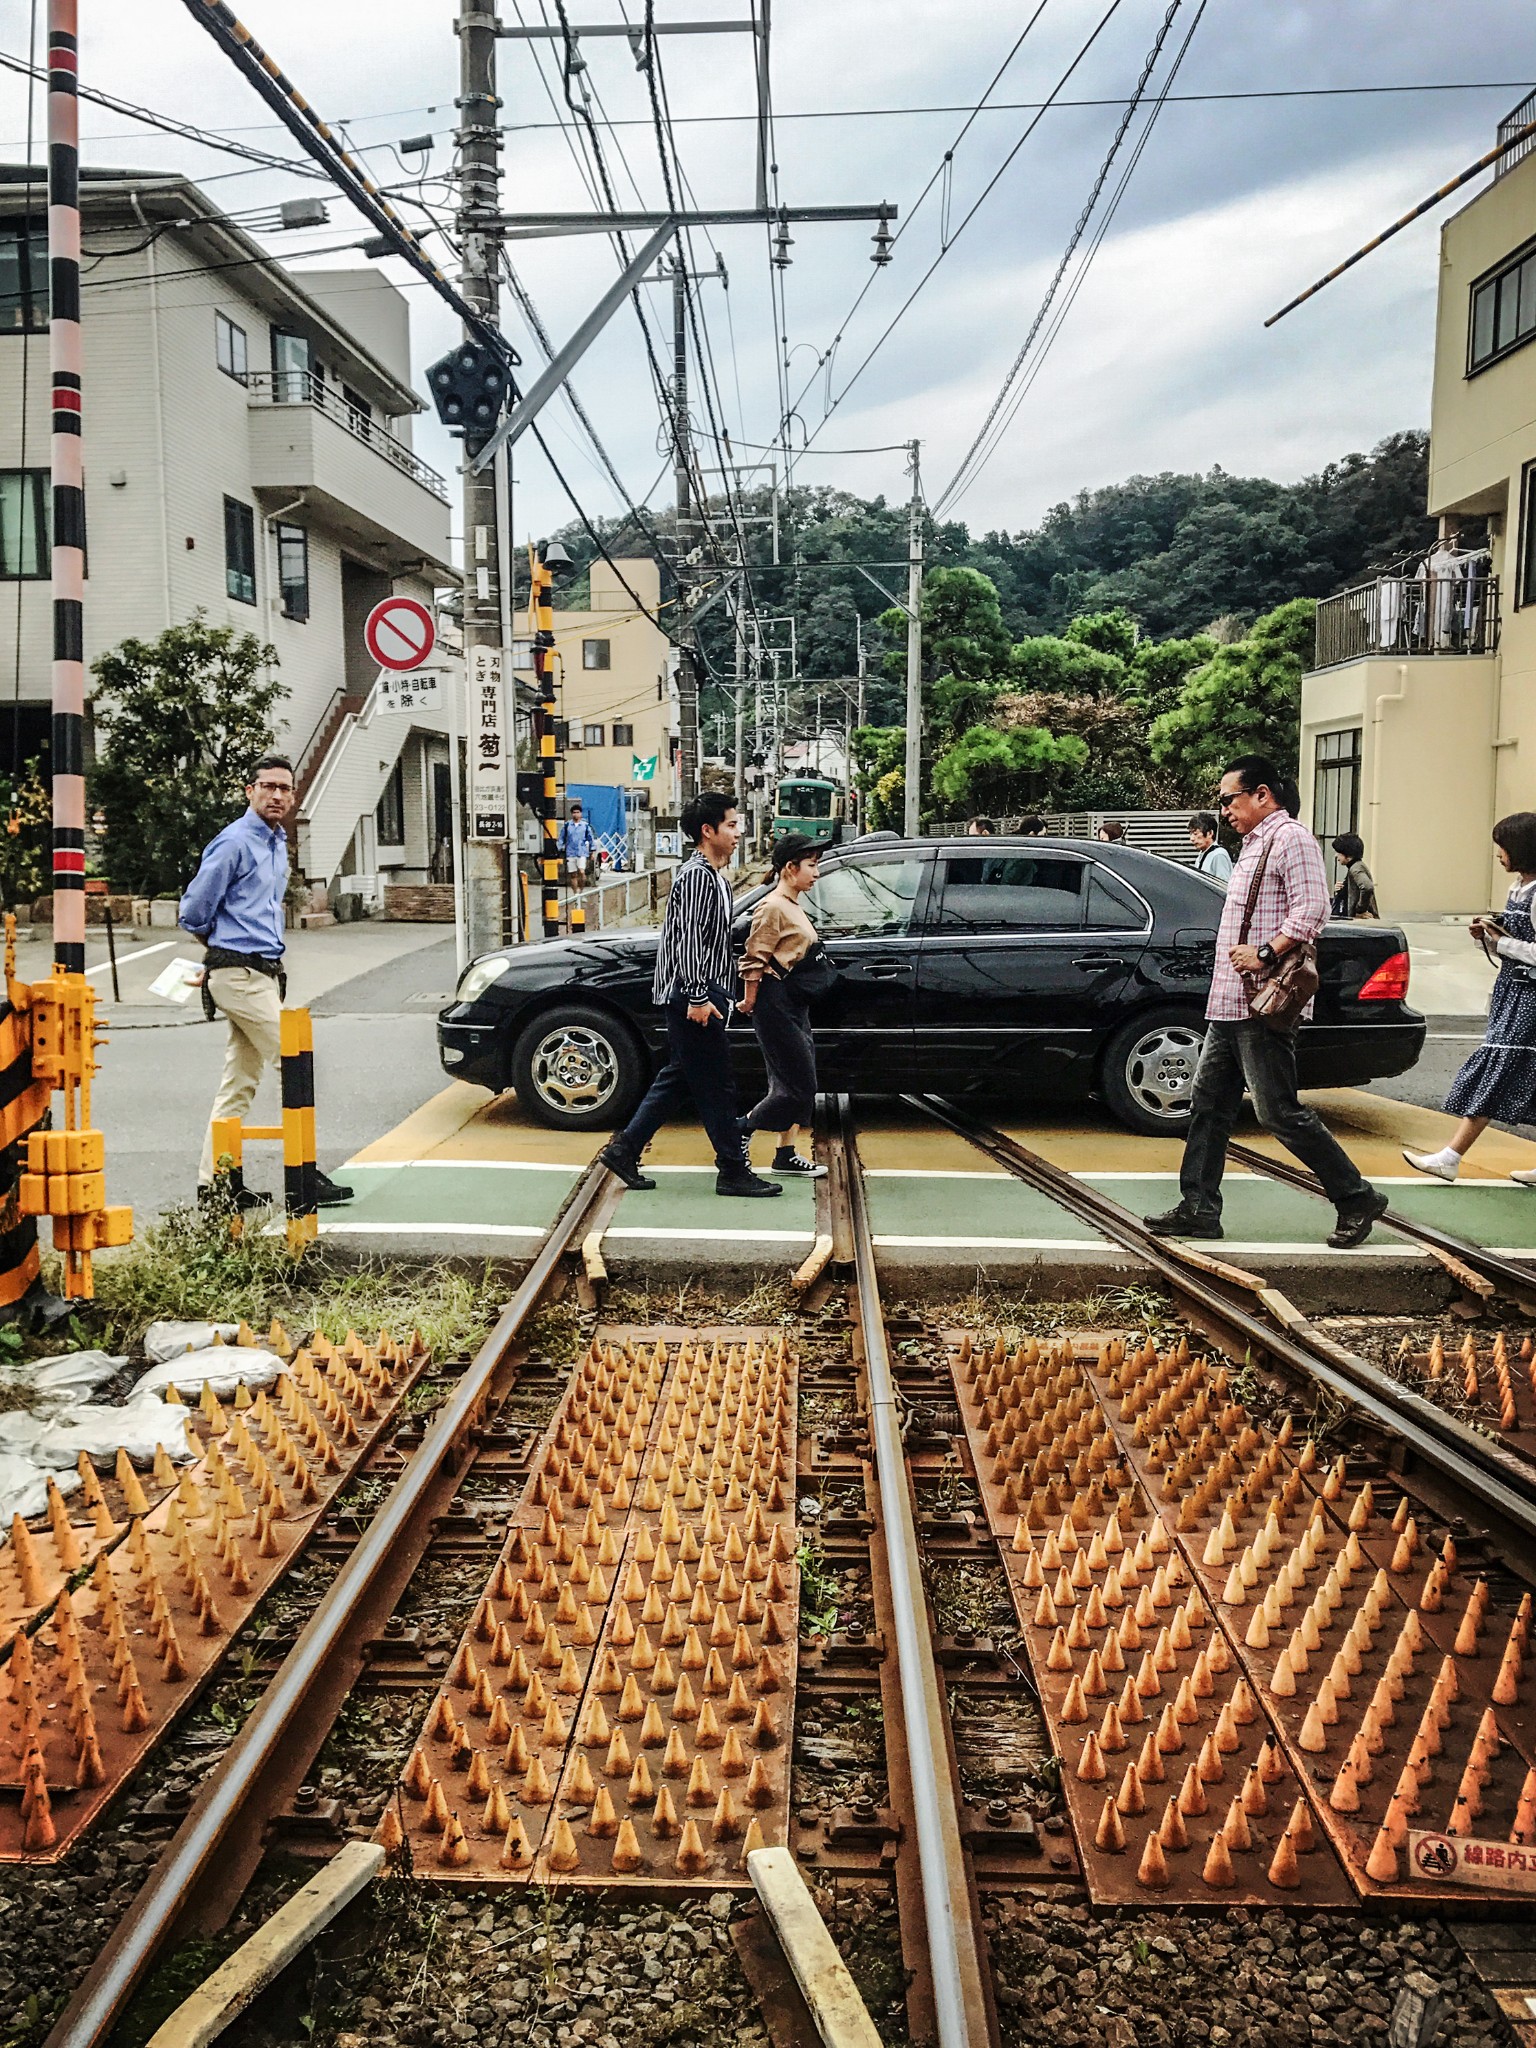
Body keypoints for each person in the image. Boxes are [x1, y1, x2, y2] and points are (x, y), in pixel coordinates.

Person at [1146, 753, 1387, 1248]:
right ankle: (1198, 1209)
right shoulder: (1254, 844)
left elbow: (1313, 909)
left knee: (1278, 1111)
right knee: (1209, 1104)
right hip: (1230, 1002)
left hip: (1263, 1002)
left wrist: (1264, 951)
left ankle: (1356, 1197)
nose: (1224, 811)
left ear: (1261, 794)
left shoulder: (1289, 837)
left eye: (1229, 799)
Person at [179, 753, 352, 1213]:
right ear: (249, 790)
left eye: (285, 789)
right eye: (268, 786)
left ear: (293, 797)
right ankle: (303, 1174)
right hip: (238, 974)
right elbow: (194, 912)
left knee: (239, 1082)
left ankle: (216, 1186)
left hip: (262, 974)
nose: (277, 795)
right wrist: (225, 952)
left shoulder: (276, 842)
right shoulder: (234, 841)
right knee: (294, 1062)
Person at [597, 792, 781, 1199]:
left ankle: (625, 1149)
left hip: (702, 992)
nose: (738, 833)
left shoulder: (713, 874)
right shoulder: (697, 876)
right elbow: (687, 942)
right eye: (731, 825)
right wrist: (698, 996)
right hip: (693, 995)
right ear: (707, 831)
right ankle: (732, 1170)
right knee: (717, 1086)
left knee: (681, 1077)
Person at [1404, 811, 1536, 1186]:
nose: (1499, 854)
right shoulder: (1520, 888)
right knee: (1519, 1071)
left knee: (1499, 1066)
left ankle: (1451, 1155)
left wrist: (1502, 943)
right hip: (1514, 991)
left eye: (1503, 847)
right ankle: (1450, 1156)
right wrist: (1494, 936)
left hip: (1528, 997)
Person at [738, 833, 832, 1179]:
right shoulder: (773, 906)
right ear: (790, 868)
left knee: (788, 1083)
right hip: (774, 1003)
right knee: (800, 1085)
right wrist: (749, 1000)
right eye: (811, 865)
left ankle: (785, 1153)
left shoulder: (792, 904)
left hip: (793, 1003)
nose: (816, 873)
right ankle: (739, 1130)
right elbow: (754, 958)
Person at [1330, 833, 1378, 918]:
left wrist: (1360, 910)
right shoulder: (1356, 866)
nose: (1336, 856)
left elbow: (1367, 887)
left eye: (1339, 853)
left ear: (1348, 855)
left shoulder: (1356, 868)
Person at [1189, 811, 1233, 884]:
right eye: (1190, 834)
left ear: (1210, 833)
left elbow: (1223, 886)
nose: (1192, 838)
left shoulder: (1218, 855)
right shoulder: (1202, 855)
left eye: (1195, 834)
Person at [559, 801, 596, 889]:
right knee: (573, 874)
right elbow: (561, 838)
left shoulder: (585, 826)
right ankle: (576, 893)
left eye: (578, 812)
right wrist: (559, 849)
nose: (576, 814)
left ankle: (581, 890)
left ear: (581, 813)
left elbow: (591, 838)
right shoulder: (567, 825)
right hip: (570, 852)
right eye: (574, 812)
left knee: (581, 871)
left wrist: (593, 851)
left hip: (581, 852)